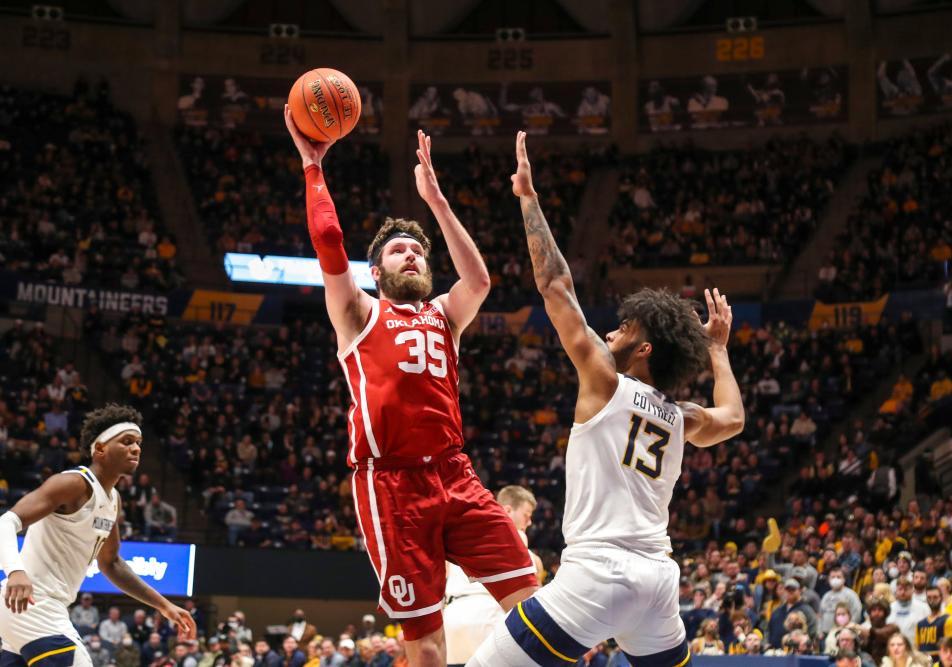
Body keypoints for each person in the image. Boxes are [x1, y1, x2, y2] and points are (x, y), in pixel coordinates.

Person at [467, 131, 744, 665]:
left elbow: (555, 285)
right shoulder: (681, 416)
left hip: (598, 575)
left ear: (643, 349)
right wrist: (717, 349)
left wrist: (528, 198)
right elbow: (731, 418)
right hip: (658, 584)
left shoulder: (605, 382)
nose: (611, 330)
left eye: (624, 327)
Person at [283, 110, 537, 665]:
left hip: (456, 473)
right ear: (376, 271)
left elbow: (480, 281)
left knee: (533, 610)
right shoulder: (356, 312)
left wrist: (438, 204)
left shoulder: (445, 314)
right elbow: (328, 238)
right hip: (392, 486)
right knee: (425, 648)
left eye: (417, 250)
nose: (413, 254)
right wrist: (312, 167)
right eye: (399, 250)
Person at [0, 404, 196, 667]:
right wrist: (15, 571)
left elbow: (111, 563)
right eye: (126, 442)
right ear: (100, 449)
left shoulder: (112, 500)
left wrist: (164, 605)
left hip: (35, 609)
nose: (136, 448)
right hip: (34, 603)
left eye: (138, 442)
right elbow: (6, 522)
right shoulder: (73, 483)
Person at [443, 486, 543, 665]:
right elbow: (532, 592)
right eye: (527, 515)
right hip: (487, 613)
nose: (529, 523)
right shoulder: (516, 535)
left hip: (452, 615)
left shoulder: (461, 532)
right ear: (507, 510)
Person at [917, 586, 952, 657]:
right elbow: (917, 649)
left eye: (935, 597)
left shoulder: (950, 620)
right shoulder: (920, 624)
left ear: (941, 598)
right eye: (929, 598)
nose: (932, 600)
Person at [822, 567, 864, 635]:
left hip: (843, 633)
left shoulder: (851, 594)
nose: (835, 579)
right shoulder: (826, 596)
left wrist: (849, 628)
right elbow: (821, 614)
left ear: (844, 579)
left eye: (838, 577)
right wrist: (820, 631)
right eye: (832, 577)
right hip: (826, 633)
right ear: (828, 579)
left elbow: (857, 612)